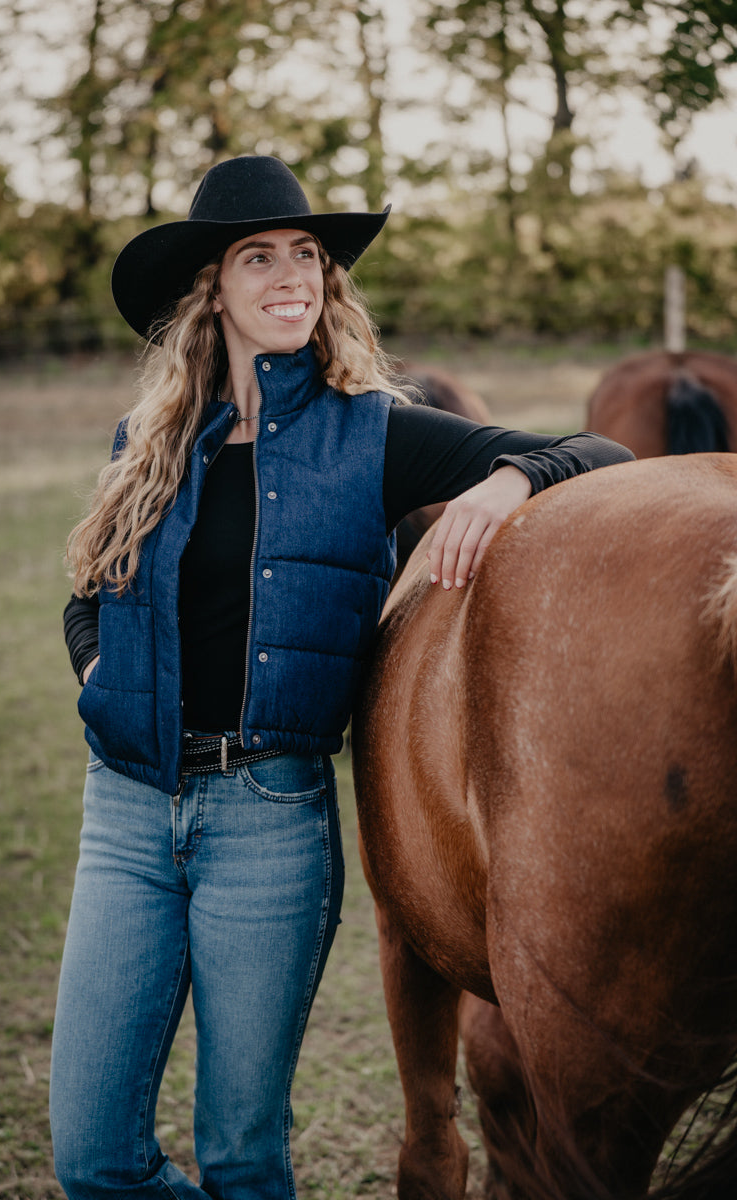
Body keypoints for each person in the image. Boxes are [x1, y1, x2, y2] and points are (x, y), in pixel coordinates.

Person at [50, 154, 633, 1200]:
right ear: (211, 291)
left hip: (265, 821)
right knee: (92, 1160)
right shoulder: (145, 441)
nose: (291, 277)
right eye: (259, 257)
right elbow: (86, 590)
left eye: (307, 257)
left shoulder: (372, 434)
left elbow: (599, 454)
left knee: (240, 1155)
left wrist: (504, 484)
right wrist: (100, 674)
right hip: (126, 815)